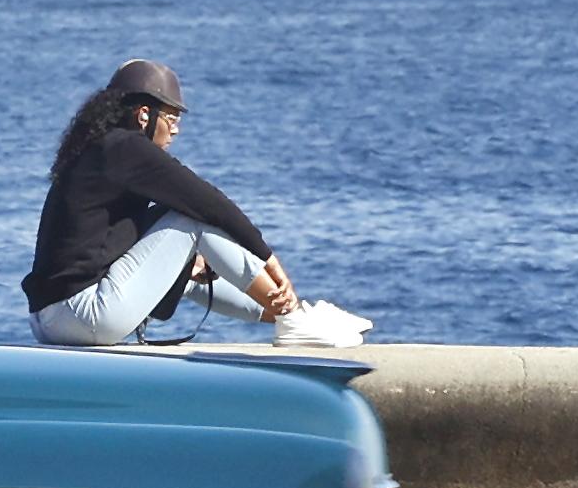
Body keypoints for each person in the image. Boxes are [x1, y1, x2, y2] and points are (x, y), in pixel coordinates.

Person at [23, 59, 371, 348]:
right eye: (171, 118)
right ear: (144, 114)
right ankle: (292, 319)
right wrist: (268, 258)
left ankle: (290, 315)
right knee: (191, 219)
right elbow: (209, 203)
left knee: (186, 261)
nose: (175, 130)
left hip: (54, 319)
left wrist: (184, 266)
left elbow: (102, 250)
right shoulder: (125, 148)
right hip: (81, 314)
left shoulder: (99, 151)